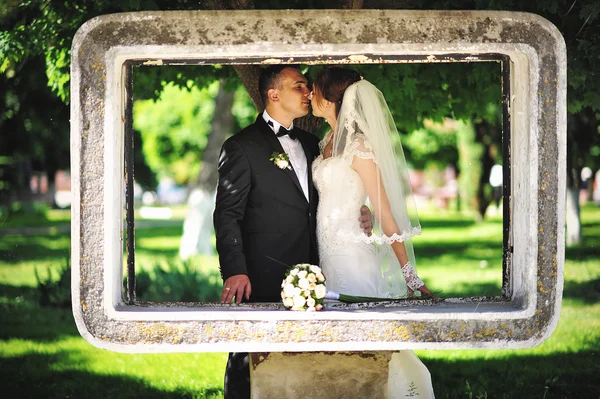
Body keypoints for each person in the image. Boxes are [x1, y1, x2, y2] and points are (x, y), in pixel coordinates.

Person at [213, 65, 371, 399]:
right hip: (262, 271)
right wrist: (235, 270)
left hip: (317, 268)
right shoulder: (241, 146)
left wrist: (364, 208)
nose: (308, 92)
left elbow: (339, 189)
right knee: (252, 354)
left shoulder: (315, 143)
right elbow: (227, 214)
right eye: (299, 86)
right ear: (273, 94)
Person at [310, 67, 435, 398]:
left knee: (364, 344)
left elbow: (385, 213)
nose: (310, 94)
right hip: (327, 255)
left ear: (332, 98)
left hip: (353, 254)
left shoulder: (359, 147)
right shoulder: (326, 141)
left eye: (315, 89)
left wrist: (409, 273)